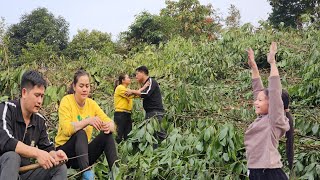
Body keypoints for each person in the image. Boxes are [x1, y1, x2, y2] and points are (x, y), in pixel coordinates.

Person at [0, 70, 68, 180]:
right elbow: (7, 141)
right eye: (37, 95)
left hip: (23, 174)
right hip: (3, 170)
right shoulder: (6, 109)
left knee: (59, 168)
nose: (40, 101)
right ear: (24, 93)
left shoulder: (39, 121)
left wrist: (54, 155)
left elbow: (47, 147)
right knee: (12, 157)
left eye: (42, 96)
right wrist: (37, 153)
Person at [55, 69, 118, 180]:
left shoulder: (91, 104)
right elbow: (66, 129)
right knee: (80, 133)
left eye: (87, 86)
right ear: (74, 87)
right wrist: (88, 121)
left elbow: (110, 122)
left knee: (107, 136)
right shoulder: (66, 101)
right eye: (81, 86)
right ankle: (86, 174)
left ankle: (116, 173)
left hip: (82, 155)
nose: (85, 89)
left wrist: (110, 126)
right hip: (64, 154)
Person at [244, 42, 294, 180]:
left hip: (269, 173)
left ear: (273, 103)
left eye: (260, 101)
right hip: (256, 172)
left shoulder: (275, 120)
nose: (256, 102)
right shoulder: (261, 119)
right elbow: (257, 89)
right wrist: (253, 66)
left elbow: (274, 90)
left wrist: (272, 62)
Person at [127, 66, 166, 142]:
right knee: (151, 135)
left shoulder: (151, 81)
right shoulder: (146, 84)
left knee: (160, 134)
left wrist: (131, 91)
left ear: (142, 73)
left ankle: (168, 148)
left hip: (155, 112)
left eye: (137, 74)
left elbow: (146, 93)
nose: (136, 77)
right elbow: (139, 94)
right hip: (150, 112)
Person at [113, 74, 149, 143]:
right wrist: (144, 87)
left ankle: (126, 150)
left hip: (127, 113)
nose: (130, 79)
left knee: (128, 134)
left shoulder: (128, 89)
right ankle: (116, 150)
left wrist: (143, 92)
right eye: (128, 78)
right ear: (123, 80)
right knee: (119, 134)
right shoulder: (120, 88)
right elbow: (132, 94)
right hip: (120, 113)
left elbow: (136, 95)